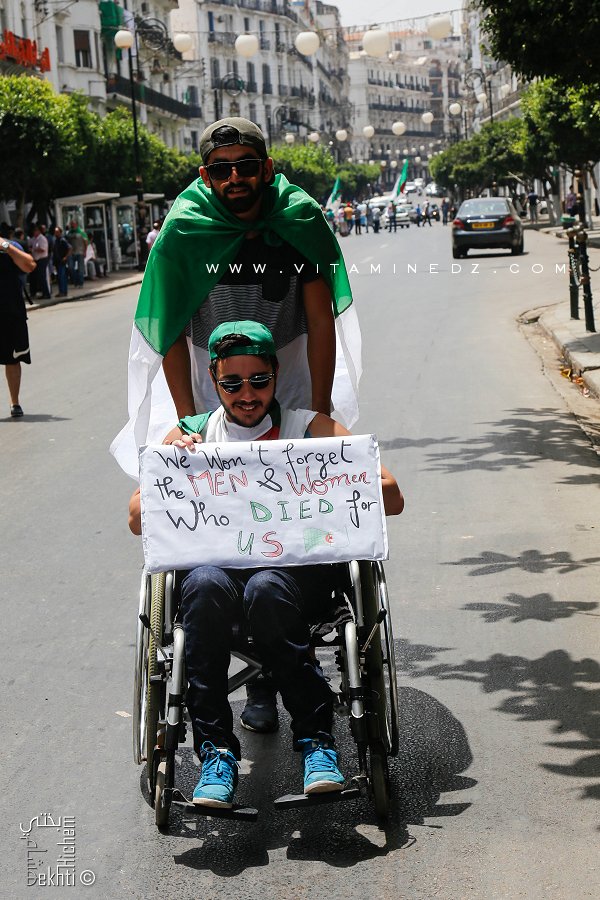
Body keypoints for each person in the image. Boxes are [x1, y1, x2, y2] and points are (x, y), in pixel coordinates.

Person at [112, 116, 362, 733]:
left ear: (266, 168)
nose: (234, 178)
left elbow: (320, 319)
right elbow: (171, 329)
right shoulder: (184, 228)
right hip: (210, 374)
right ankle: (240, 671)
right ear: (206, 175)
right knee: (222, 515)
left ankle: (274, 669)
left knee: (285, 507)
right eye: (221, 169)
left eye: (246, 165)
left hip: (289, 367)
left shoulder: (297, 218)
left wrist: (318, 411)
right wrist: (189, 419)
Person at [128, 321, 404, 808]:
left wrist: (331, 474)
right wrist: (176, 468)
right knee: (205, 585)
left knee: (266, 588)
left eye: (259, 380)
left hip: (294, 580)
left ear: (276, 374)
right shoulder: (192, 434)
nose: (247, 394)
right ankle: (216, 752)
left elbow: (393, 496)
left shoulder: (310, 428)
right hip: (216, 580)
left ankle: (316, 742)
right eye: (232, 383)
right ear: (214, 380)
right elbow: (136, 518)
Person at [0, 224, 36, 417]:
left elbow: (30, 266)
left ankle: (15, 403)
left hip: (10, 313)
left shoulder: (10, 247)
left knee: (12, 360)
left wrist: (5, 246)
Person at [31, 225, 51, 299]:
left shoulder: (42, 239)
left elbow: (43, 249)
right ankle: (41, 293)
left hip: (42, 259)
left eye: (35, 231)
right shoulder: (34, 239)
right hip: (36, 260)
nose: (34, 232)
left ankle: (46, 294)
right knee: (37, 277)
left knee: (42, 277)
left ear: (38, 231)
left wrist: (34, 249)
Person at [66, 219, 87, 287]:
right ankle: (75, 280)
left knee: (80, 268)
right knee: (70, 267)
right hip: (71, 252)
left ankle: (80, 283)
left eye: (73, 224)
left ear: (76, 224)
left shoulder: (81, 232)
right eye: (71, 224)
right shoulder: (69, 232)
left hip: (80, 252)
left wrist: (85, 251)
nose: (72, 225)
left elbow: (86, 242)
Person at [53, 227, 71, 297]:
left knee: (62, 277)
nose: (56, 233)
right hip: (57, 261)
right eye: (55, 232)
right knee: (59, 277)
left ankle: (63, 292)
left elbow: (69, 248)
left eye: (57, 232)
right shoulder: (56, 240)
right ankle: (61, 291)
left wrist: (65, 257)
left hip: (62, 261)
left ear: (60, 232)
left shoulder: (62, 240)